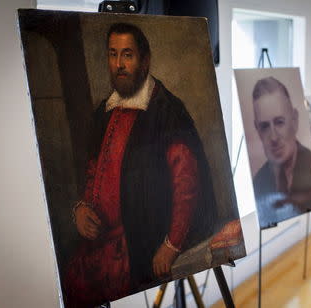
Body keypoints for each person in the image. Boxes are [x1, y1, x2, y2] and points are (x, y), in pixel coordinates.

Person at [64, 23, 217, 307]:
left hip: (137, 246)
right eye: (113, 55)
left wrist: (171, 246)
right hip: (100, 244)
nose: (119, 65)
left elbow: (187, 184)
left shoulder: (166, 111)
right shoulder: (103, 112)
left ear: (144, 61)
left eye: (127, 55)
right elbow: (91, 173)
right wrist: (81, 209)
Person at [251, 77, 311, 229]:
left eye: (279, 122)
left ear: (294, 120)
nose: (274, 137)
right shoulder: (258, 184)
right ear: (257, 130)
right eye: (264, 126)